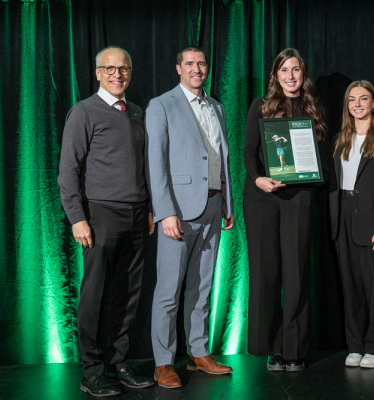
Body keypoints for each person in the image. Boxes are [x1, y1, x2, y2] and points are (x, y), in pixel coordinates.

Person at [58, 46, 155, 397]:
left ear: (130, 73)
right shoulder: (84, 112)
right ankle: (92, 371)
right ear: (98, 73)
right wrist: (77, 218)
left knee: (127, 296)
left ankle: (119, 363)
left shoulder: (138, 113)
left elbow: (144, 167)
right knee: (95, 295)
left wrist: (149, 209)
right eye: (110, 68)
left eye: (124, 68)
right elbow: (68, 170)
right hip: (100, 215)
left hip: (136, 216)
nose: (117, 74)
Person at [146, 46, 234, 388]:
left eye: (201, 63)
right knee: (169, 290)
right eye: (190, 64)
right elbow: (156, 163)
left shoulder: (217, 107)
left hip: (213, 207)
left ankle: (198, 353)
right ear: (178, 68)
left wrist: (226, 204)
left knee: (203, 287)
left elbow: (221, 158)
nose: (197, 69)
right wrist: (165, 211)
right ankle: (164, 362)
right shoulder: (162, 105)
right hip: (179, 213)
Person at [244, 48, 329, 372]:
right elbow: (249, 151)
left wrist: (314, 177)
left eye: (296, 70)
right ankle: (273, 347)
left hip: (300, 199)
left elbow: (321, 158)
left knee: (296, 276)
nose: (291, 76)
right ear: (276, 76)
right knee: (266, 275)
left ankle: (295, 350)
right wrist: (258, 179)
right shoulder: (261, 107)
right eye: (285, 71)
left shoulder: (313, 109)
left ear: (303, 75)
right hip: (263, 200)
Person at [329, 80, 374, 369]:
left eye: (363, 99)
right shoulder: (339, 140)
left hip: (373, 220)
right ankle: (355, 345)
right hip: (342, 220)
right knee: (352, 288)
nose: (357, 104)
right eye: (351, 100)